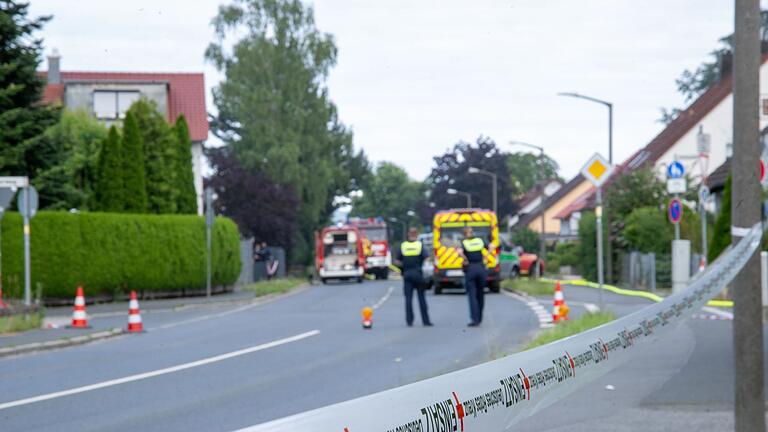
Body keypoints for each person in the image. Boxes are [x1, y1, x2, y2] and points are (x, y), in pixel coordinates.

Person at [394, 228, 432, 327]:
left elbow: (397, 261)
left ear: (408, 235)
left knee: (408, 299)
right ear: (416, 235)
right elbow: (427, 257)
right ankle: (426, 321)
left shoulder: (403, 246)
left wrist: (403, 266)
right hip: (418, 274)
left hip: (407, 274)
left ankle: (409, 321)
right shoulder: (419, 245)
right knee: (422, 299)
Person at [458, 226, 495, 327]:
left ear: (464, 234)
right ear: (472, 232)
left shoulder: (464, 243)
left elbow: (460, 253)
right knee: (480, 294)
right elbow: (492, 246)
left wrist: (465, 258)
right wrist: (486, 256)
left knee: (472, 296)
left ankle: (475, 320)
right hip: (481, 268)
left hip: (471, 269)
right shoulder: (479, 240)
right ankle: (480, 317)